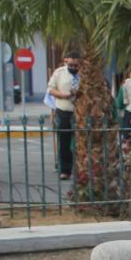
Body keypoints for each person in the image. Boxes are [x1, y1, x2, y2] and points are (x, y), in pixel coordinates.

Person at [48, 51, 81, 180]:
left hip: (81, 112)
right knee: (64, 142)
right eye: (70, 65)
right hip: (64, 110)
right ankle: (65, 170)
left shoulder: (86, 73)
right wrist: (63, 95)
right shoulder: (59, 72)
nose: (73, 67)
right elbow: (51, 89)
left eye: (76, 65)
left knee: (82, 141)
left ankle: (81, 169)